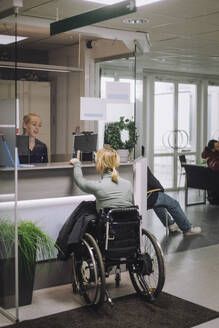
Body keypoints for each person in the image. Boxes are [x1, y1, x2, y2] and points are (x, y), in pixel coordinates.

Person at [56, 147, 134, 260]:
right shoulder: (128, 184)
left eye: (96, 160)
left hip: (107, 228)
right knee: (88, 205)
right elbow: (131, 206)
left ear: (100, 164)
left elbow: (80, 181)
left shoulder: (99, 186)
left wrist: (77, 164)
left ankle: (64, 246)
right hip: (127, 230)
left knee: (84, 207)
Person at [147, 167, 201, 236]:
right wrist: (160, 189)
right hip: (148, 195)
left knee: (158, 204)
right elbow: (151, 180)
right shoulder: (142, 166)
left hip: (145, 196)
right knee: (173, 204)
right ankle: (188, 229)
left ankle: (171, 225)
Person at [201, 139, 219, 204]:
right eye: (217, 146)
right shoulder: (209, 156)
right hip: (214, 179)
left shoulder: (215, 153)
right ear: (213, 149)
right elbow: (215, 166)